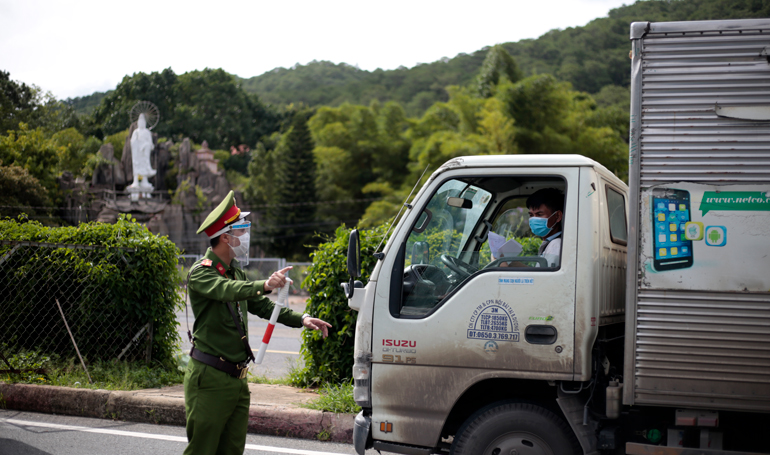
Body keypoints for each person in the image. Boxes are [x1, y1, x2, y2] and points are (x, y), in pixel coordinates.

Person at [183, 190, 331, 455]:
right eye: (241, 231)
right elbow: (227, 290)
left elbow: (262, 306)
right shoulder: (202, 272)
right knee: (202, 451)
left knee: (232, 451)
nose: (245, 236)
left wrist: (303, 318)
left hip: (237, 379)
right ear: (226, 237)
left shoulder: (235, 271)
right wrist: (264, 284)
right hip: (210, 378)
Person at [526, 188, 564, 267]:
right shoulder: (551, 243)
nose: (534, 219)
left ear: (557, 216)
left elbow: (546, 278)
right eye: (531, 215)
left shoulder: (556, 245)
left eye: (539, 214)